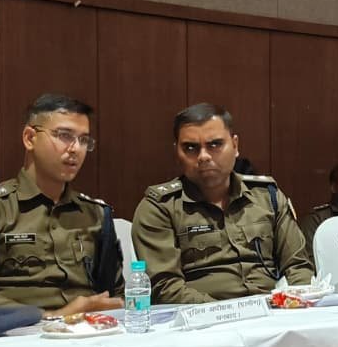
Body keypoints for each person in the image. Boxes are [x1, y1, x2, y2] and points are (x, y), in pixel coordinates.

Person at [0, 93, 123, 316]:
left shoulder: (95, 214)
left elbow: (115, 294)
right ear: (30, 138)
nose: (75, 149)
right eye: (64, 136)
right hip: (17, 332)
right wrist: (47, 316)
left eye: (84, 140)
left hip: (88, 330)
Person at [132, 103, 314, 303]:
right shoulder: (159, 207)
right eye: (190, 148)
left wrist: (296, 303)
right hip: (200, 317)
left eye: (215, 145)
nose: (203, 156)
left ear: (235, 146)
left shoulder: (267, 196)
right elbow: (165, 288)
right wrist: (226, 313)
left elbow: (298, 266)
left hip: (273, 311)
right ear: (177, 152)